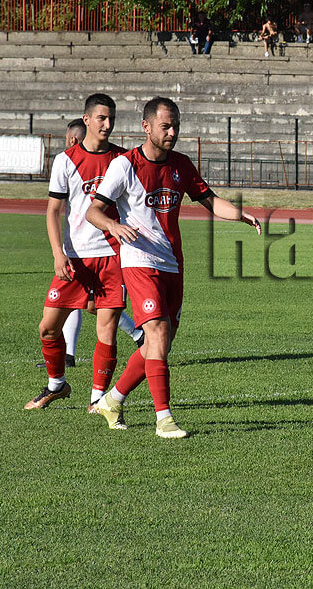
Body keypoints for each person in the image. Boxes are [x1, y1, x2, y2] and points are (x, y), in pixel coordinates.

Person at [86, 97, 261, 438]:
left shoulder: (181, 164)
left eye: (176, 126)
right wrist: (114, 226)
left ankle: (112, 400)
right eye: (165, 126)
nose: (172, 132)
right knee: (157, 335)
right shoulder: (125, 165)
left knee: (157, 346)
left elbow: (210, 200)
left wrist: (240, 214)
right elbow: (94, 211)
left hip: (172, 264)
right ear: (146, 127)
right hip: (139, 261)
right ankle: (164, 419)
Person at [26, 96, 130, 412]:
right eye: (101, 118)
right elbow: (53, 210)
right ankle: (57, 384)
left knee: (106, 330)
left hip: (113, 257)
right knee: (48, 327)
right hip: (75, 258)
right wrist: (58, 254)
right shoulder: (66, 160)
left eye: (111, 119)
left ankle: (97, 399)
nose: (107, 125)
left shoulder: (123, 160)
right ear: (86, 119)